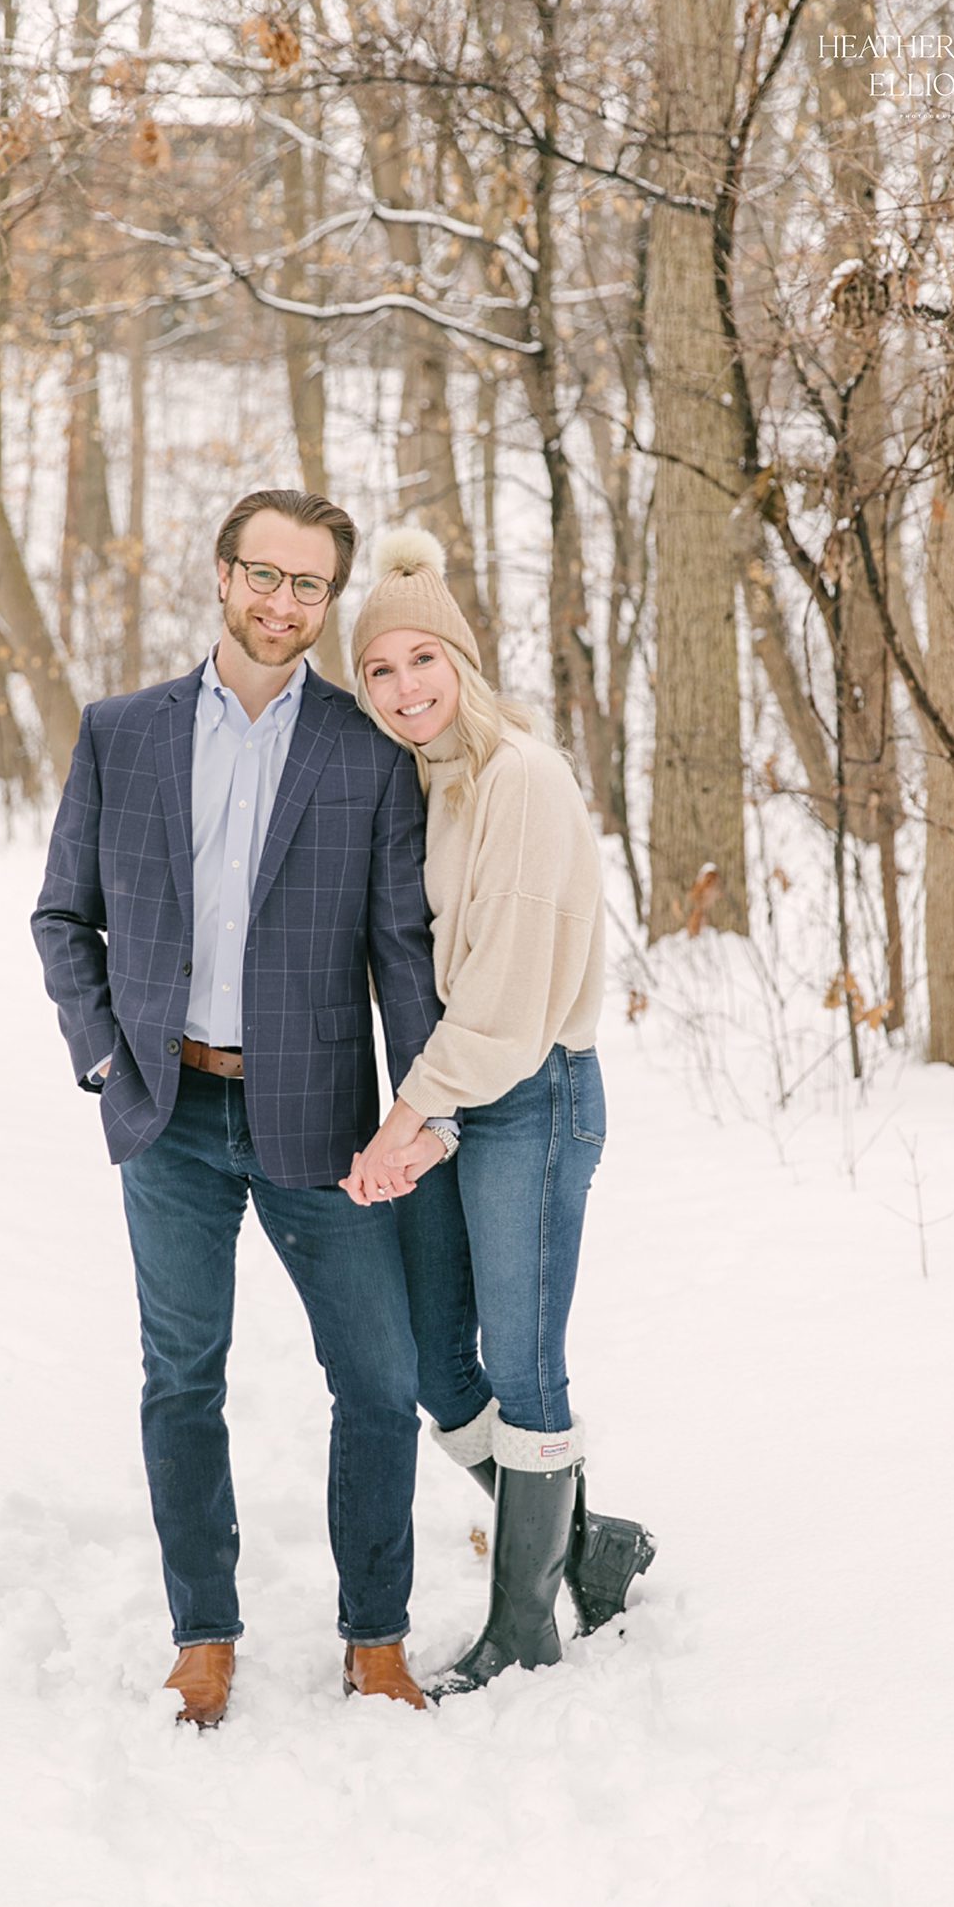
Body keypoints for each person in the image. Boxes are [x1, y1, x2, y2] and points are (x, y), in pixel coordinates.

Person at [32, 490, 456, 1724]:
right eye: (262, 575)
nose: (282, 603)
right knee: (182, 1378)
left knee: (378, 1380)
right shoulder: (123, 733)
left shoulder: (370, 755)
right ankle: (202, 1634)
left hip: (321, 1119)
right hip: (169, 1112)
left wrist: (419, 1108)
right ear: (221, 575)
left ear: (330, 601)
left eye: (309, 586)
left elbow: (403, 954)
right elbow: (65, 917)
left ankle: (376, 1636)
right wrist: (109, 1057)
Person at [341, 526, 655, 1695]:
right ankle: (591, 1543)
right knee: (438, 1356)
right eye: (378, 669)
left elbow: (512, 994)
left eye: (424, 658)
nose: (404, 686)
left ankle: (526, 1622)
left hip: (536, 1093)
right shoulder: (433, 781)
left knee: (523, 1360)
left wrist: (407, 1117)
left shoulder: (522, 775)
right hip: (471, 1089)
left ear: (464, 661)